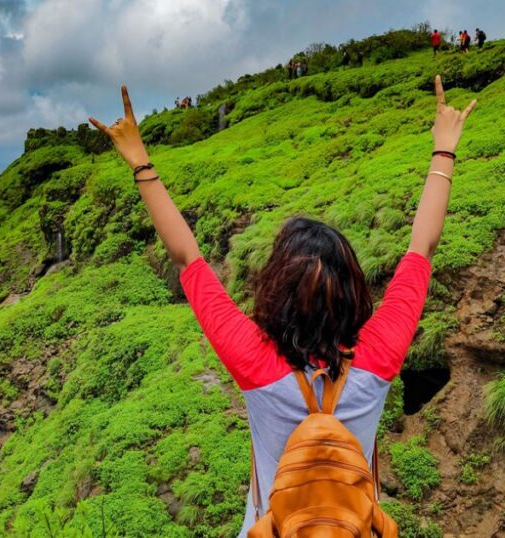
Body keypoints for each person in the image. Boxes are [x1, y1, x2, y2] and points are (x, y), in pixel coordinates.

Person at [89, 77, 477, 537]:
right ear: (354, 290)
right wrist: (444, 149)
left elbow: (187, 256)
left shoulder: (252, 359)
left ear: (274, 290)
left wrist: (140, 161)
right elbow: (422, 247)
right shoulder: (381, 353)